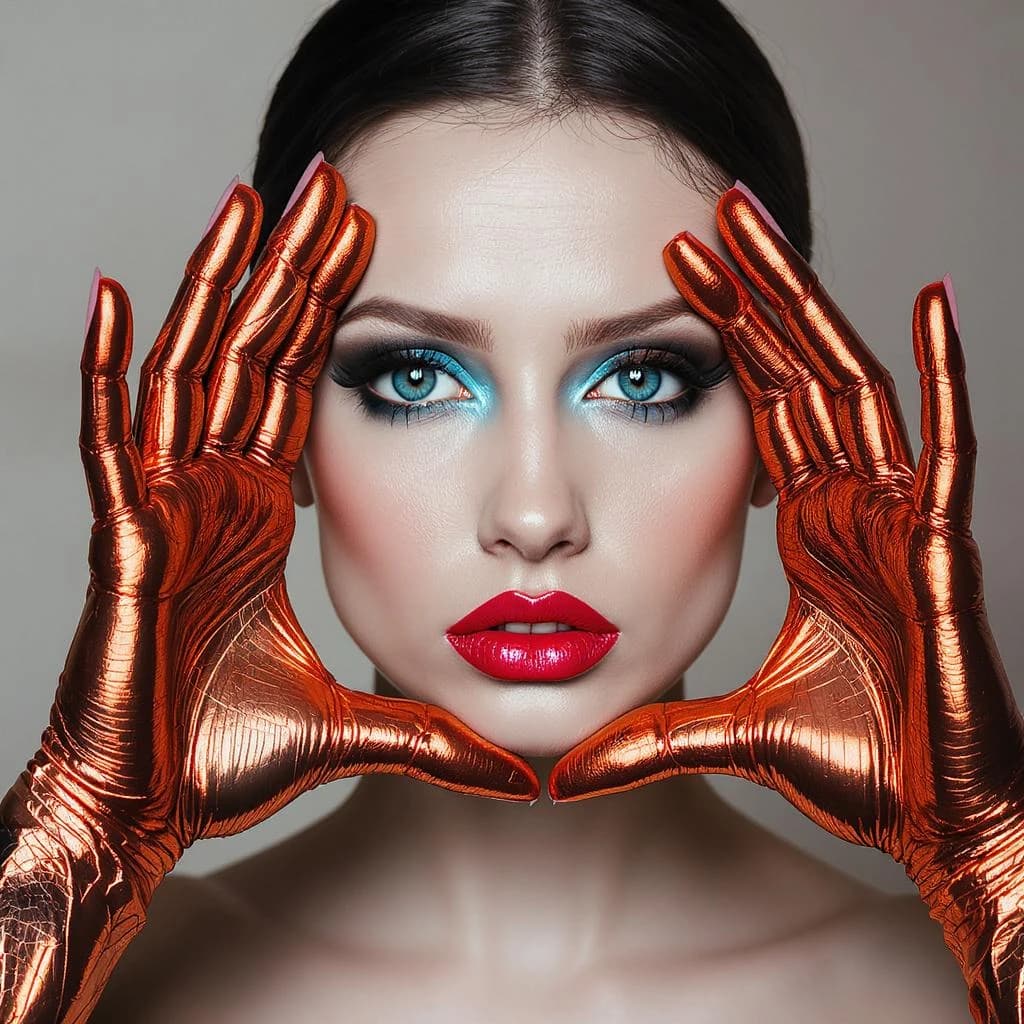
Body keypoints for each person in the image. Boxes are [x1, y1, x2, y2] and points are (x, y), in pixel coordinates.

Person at [1, 1, 1018, 1021]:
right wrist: (75, 840)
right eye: (410, 378)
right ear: (276, 420)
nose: (535, 515)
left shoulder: (946, 987)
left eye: (643, 379)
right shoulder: (94, 984)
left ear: (779, 420)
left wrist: (995, 862)